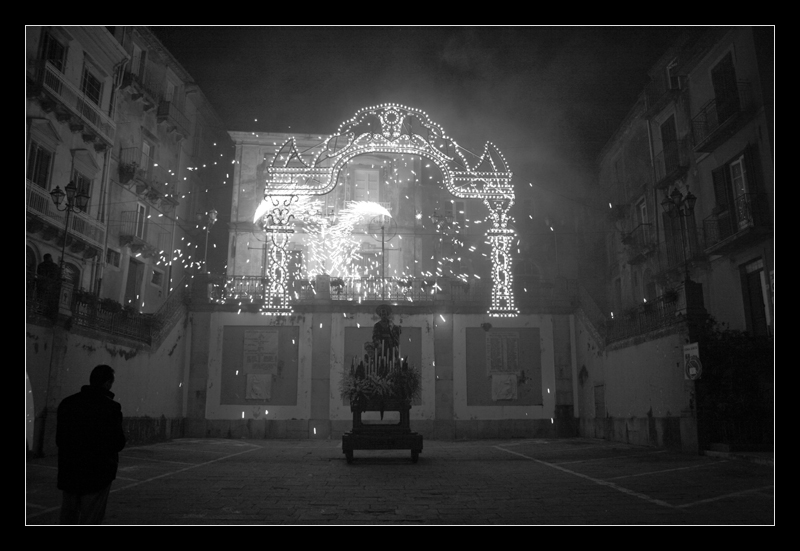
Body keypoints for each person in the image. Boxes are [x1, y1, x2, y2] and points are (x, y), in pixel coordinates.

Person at [56, 365, 126, 524]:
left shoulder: (67, 403)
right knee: (91, 516)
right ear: (108, 383)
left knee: (68, 516)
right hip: (97, 474)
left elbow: (60, 440)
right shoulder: (111, 408)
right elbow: (117, 442)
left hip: (70, 471)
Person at [36, 253, 60, 318]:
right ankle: (45, 312)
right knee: (47, 300)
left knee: (41, 299)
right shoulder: (54, 266)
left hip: (42, 286)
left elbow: (39, 274)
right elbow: (57, 276)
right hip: (50, 287)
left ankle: (40, 310)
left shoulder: (41, 265)